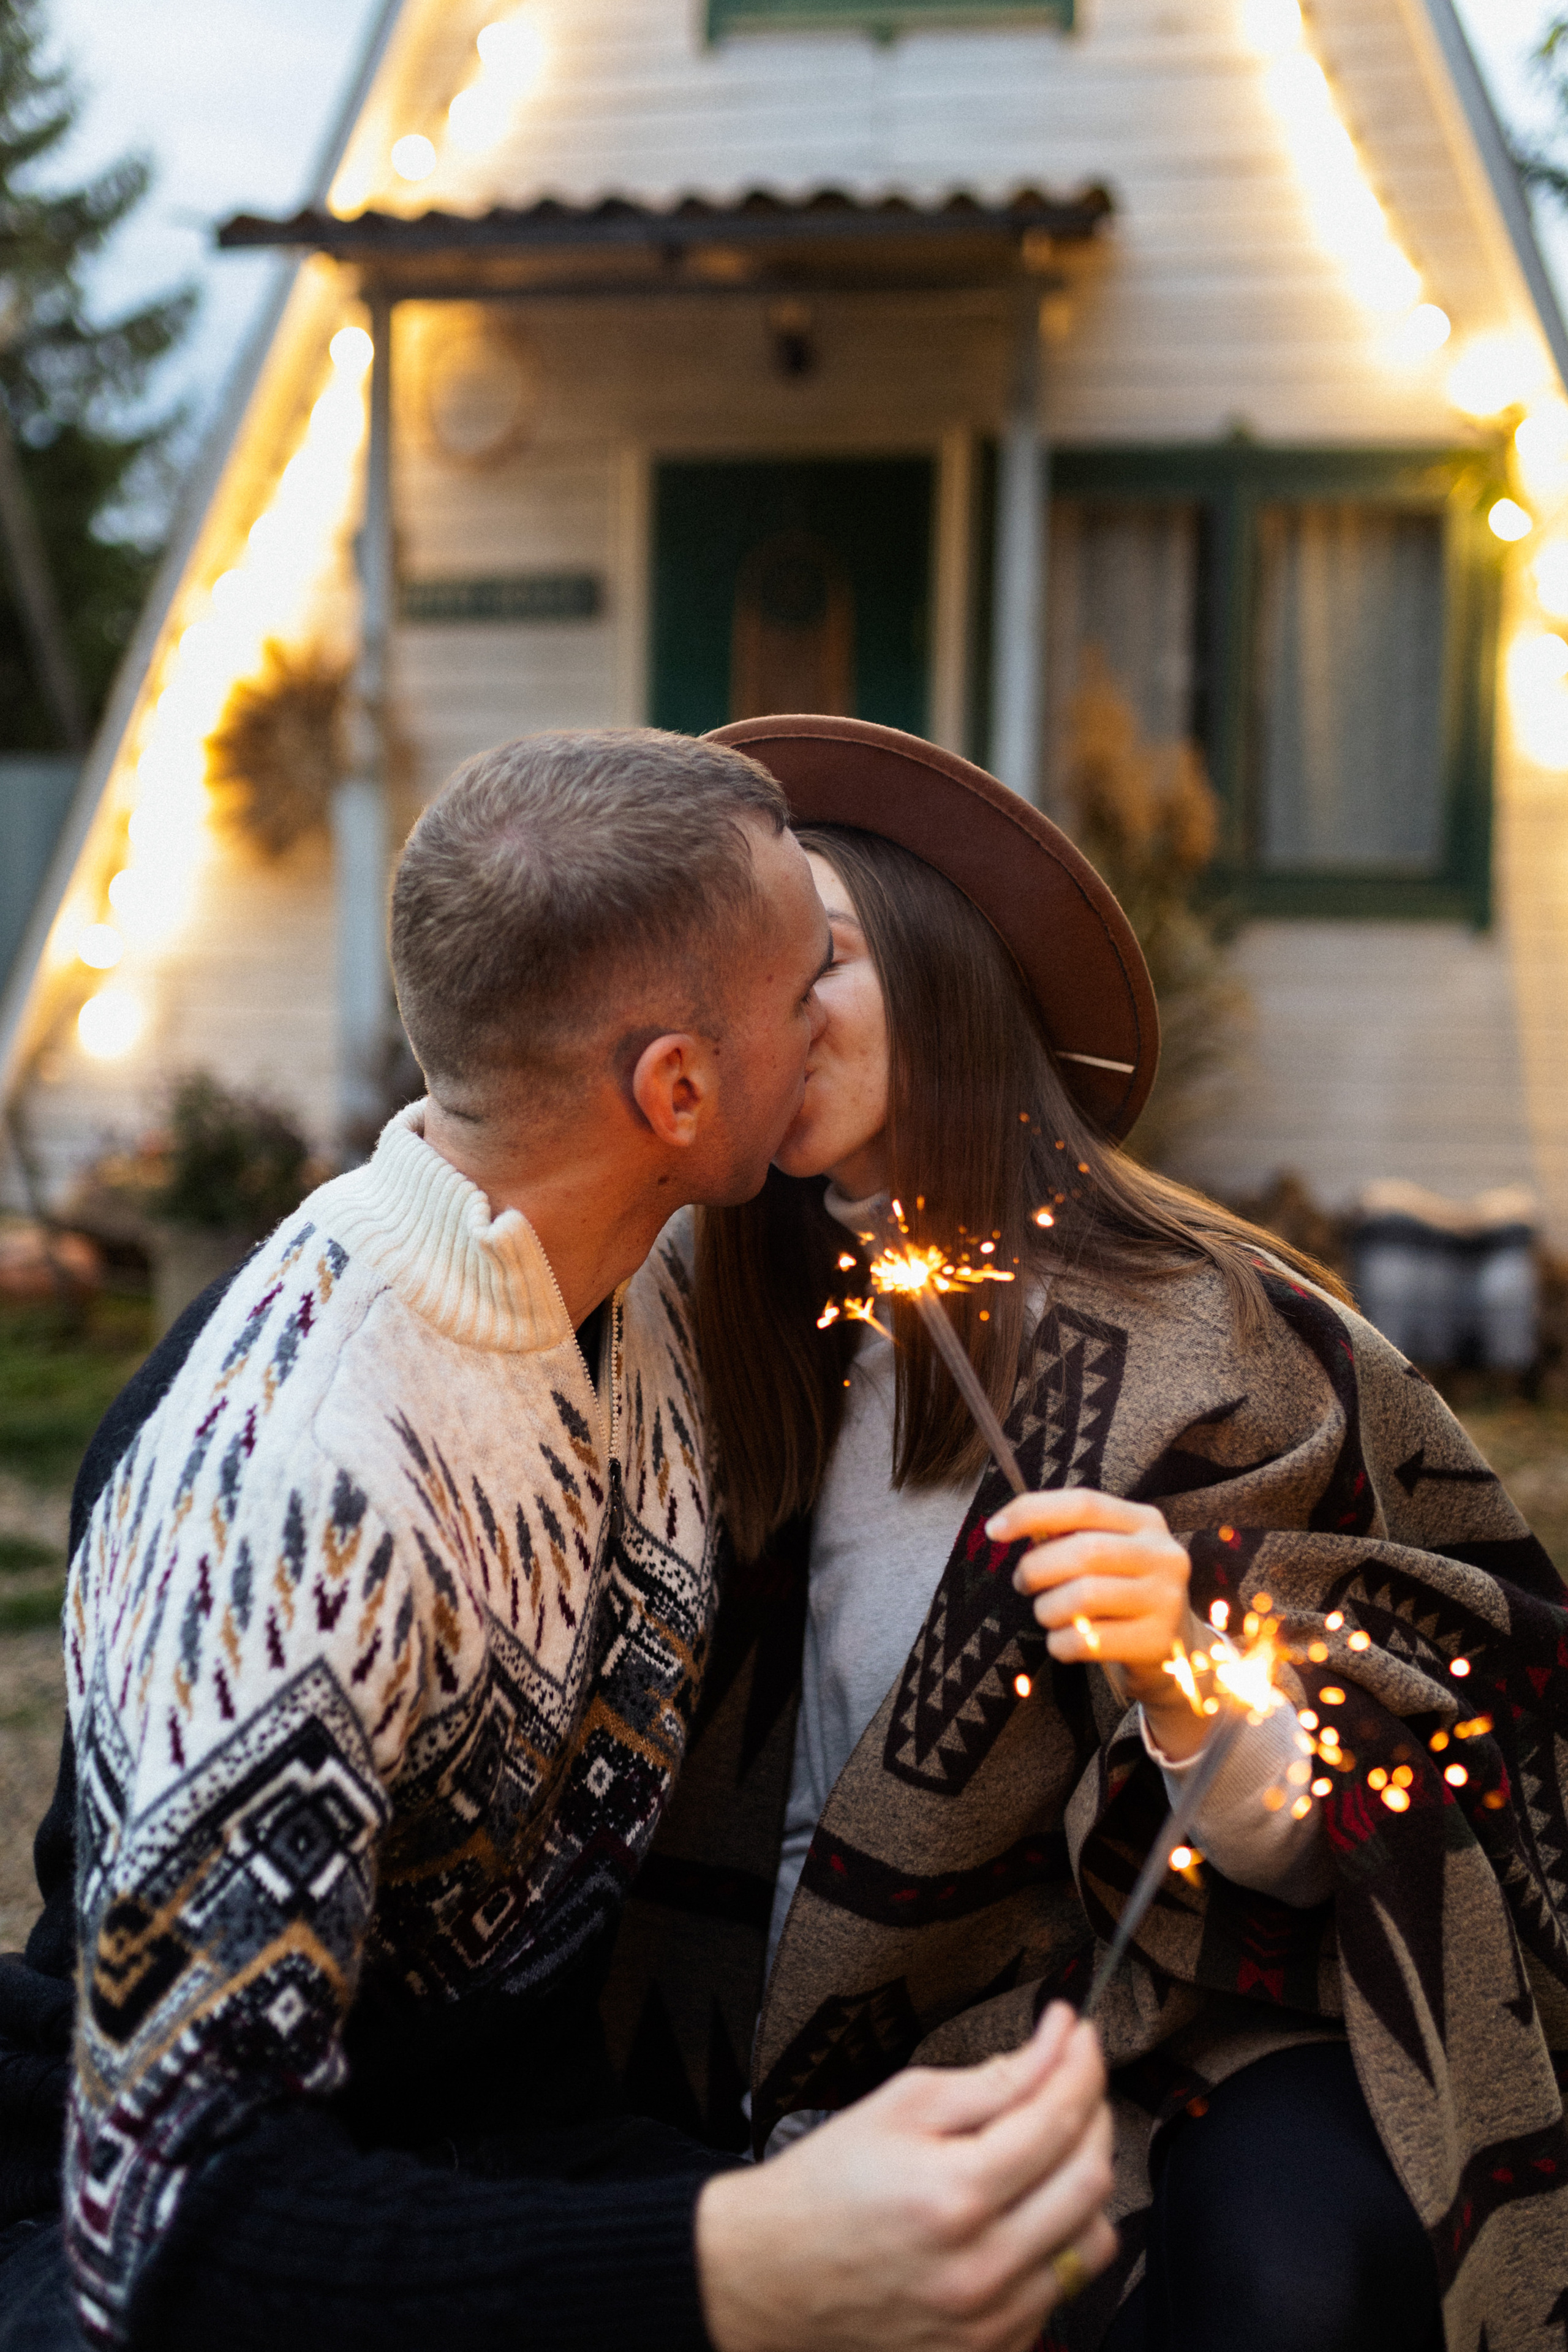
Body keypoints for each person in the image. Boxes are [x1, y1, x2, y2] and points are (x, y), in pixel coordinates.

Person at [0, 727, 1117, 2352]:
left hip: (511, 2144)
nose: (836, 1013)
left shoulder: (630, 1275)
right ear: (679, 1091)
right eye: (809, 981)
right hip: (187, 2244)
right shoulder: (291, 1491)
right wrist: (744, 2263)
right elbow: (169, 2237)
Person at [601, 715, 1568, 2352]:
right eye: (734, 975)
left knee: (1296, 2274)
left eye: (820, 958)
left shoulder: (1220, 1338)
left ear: (942, 963)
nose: (771, 1012)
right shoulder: (676, 1308)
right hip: (743, 2035)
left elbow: (1379, 1804)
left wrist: (1190, 1673)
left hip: (1168, 2015)